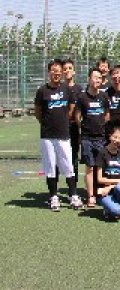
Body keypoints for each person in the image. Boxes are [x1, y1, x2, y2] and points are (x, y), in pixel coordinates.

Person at [34, 59, 82, 211]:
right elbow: (38, 112)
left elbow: (71, 109)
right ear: (49, 72)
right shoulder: (42, 90)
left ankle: (73, 195)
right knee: (50, 166)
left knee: (68, 165)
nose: (56, 74)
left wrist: (62, 122)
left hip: (63, 134)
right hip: (47, 135)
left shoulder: (66, 89)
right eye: (53, 71)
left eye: (59, 71)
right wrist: (47, 123)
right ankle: (53, 197)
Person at [75, 67, 110, 208]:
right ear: (89, 79)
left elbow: (107, 116)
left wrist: (99, 125)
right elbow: (78, 117)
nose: (98, 80)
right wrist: (85, 128)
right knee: (89, 167)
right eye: (95, 77)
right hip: (87, 138)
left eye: (100, 78)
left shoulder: (104, 97)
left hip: (101, 138)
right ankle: (90, 196)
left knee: (100, 167)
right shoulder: (82, 97)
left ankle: (101, 193)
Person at [96, 126, 120, 221]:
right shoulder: (102, 153)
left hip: (114, 189)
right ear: (110, 136)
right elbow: (100, 179)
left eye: (119, 138)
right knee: (116, 211)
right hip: (104, 192)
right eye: (115, 137)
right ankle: (114, 209)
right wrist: (116, 182)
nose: (117, 140)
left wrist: (110, 186)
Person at [62, 58, 83, 177]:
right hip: (61, 127)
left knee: (74, 155)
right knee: (60, 157)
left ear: (74, 71)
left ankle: (73, 185)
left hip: (74, 127)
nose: (67, 71)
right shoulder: (59, 88)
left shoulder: (79, 89)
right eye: (65, 69)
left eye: (70, 68)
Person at [106, 65, 120, 134]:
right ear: (110, 76)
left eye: (117, 73)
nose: (116, 76)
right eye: (113, 74)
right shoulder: (107, 93)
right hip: (111, 129)